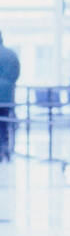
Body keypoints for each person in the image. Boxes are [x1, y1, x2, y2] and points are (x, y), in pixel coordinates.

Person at [0, 31, 21, 161]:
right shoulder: (11, 55)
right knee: (5, 124)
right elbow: (16, 74)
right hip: (8, 97)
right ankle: (5, 149)